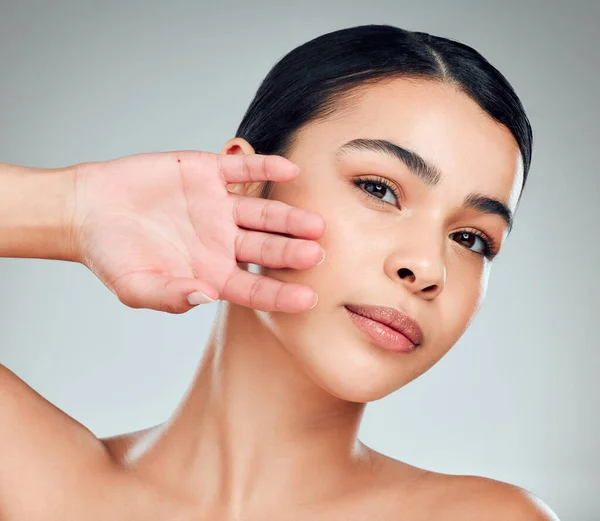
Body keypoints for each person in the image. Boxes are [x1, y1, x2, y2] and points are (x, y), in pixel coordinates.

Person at [0, 24, 560, 520]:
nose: (426, 267)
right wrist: (71, 210)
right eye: (379, 189)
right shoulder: (43, 488)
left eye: (470, 239)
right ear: (243, 182)